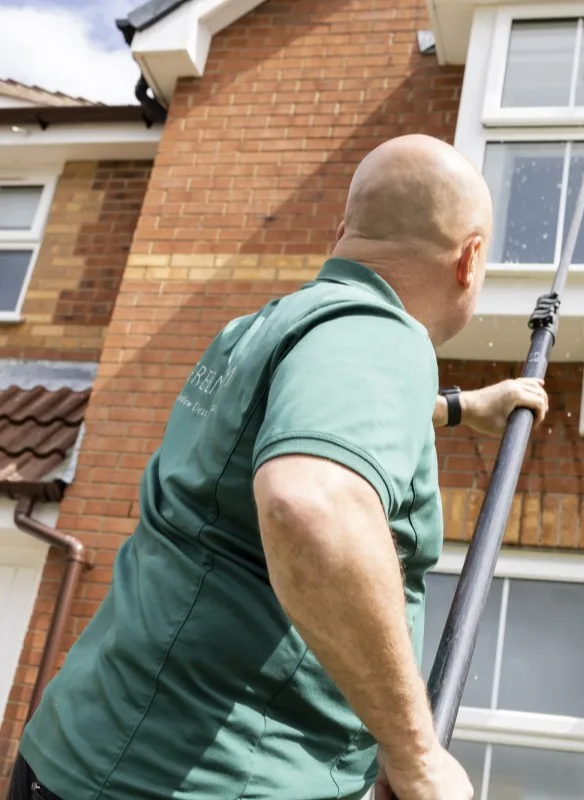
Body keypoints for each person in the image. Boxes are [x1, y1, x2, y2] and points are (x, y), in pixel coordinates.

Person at [11, 134, 549, 800]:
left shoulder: (262, 327)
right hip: (200, 782)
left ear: (342, 231)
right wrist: (415, 754)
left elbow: (304, 421)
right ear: (469, 259)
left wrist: (462, 407)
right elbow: (310, 502)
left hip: (76, 753)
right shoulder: (383, 332)